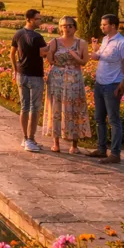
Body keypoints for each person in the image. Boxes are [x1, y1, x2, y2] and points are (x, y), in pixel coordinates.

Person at [87, 14, 124, 164]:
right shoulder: (105, 40)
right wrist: (95, 50)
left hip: (113, 85)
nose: (101, 27)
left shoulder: (123, 43)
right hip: (100, 84)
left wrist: (122, 84)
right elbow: (100, 57)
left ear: (113, 25)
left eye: (104, 24)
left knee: (114, 120)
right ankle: (101, 149)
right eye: (101, 24)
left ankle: (115, 154)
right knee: (99, 118)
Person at [42, 16, 91, 154]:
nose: (67, 28)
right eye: (64, 26)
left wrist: (74, 56)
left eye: (70, 26)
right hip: (57, 78)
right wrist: (48, 53)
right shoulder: (55, 42)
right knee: (56, 108)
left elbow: (84, 61)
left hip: (74, 79)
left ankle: (74, 144)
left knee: (75, 108)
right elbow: (50, 60)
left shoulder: (81, 43)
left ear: (75, 28)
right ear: (60, 27)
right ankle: (56, 143)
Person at [10, 8, 47, 153]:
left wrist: (15, 70)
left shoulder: (18, 34)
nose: (39, 21)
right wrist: (52, 46)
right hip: (35, 76)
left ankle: (25, 138)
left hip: (21, 74)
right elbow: (44, 54)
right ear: (29, 19)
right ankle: (30, 140)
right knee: (34, 108)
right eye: (37, 19)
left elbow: (12, 54)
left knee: (24, 107)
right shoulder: (37, 37)